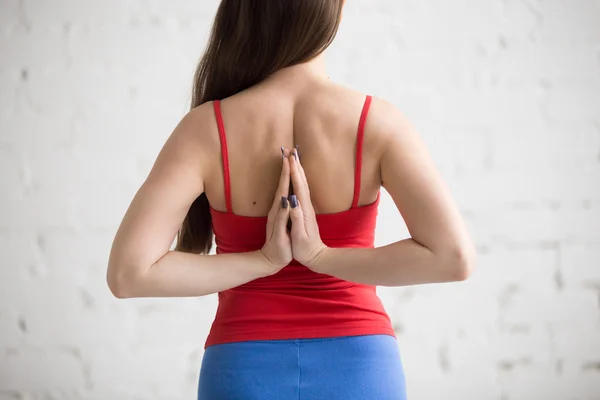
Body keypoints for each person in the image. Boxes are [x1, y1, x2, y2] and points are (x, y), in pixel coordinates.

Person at [107, 1, 476, 399]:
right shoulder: (377, 122)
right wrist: (319, 256)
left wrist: (264, 260)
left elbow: (129, 273)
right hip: (359, 365)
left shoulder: (205, 129)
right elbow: (451, 257)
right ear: (330, 13)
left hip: (242, 367)